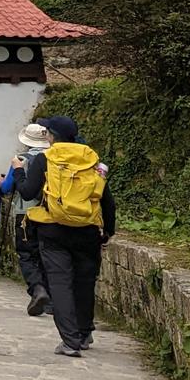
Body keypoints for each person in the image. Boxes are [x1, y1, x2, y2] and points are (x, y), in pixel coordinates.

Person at [19, 114, 115, 356]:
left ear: (52, 136)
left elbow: (28, 193)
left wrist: (19, 172)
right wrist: (108, 231)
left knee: (60, 283)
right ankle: (84, 333)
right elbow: (106, 199)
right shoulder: (91, 159)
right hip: (87, 229)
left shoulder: (45, 158)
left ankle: (70, 342)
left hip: (53, 230)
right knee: (85, 282)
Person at [0, 121, 55, 317]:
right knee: (48, 255)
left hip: (26, 215)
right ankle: (52, 301)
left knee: (27, 255)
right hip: (50, 214)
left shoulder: (21, 159)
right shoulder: (54, 158)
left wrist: (1, 183)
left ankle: (38, 289)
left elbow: (7, 188)